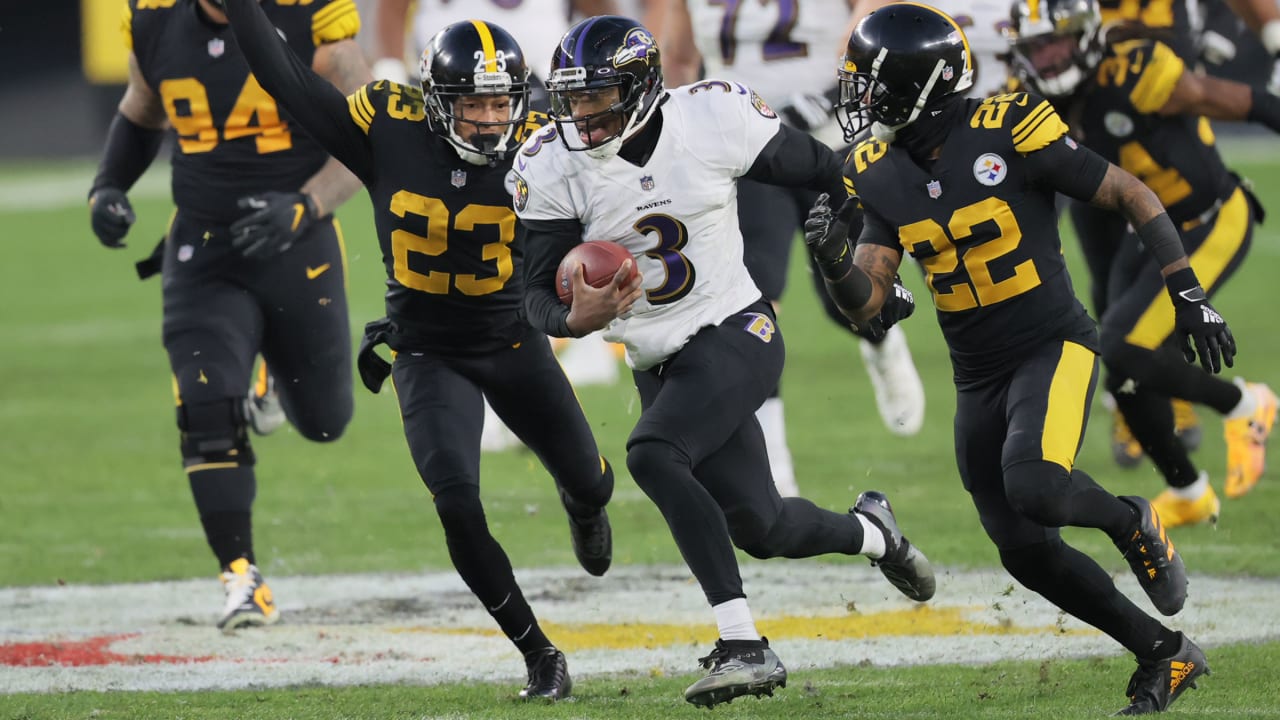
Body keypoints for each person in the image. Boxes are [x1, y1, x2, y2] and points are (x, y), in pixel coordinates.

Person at [804, 3, 1233, 713]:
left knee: (1035, 484)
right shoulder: (876, 168)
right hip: (975, 374)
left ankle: (1132, 522)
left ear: (919, 84)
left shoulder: (1010, 125)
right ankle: (1165, 653)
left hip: (1051, 343)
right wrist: (833, 263)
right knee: (1023, 550)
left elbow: (1128, 190)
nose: (862, 100)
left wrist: (1185, 292)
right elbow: (870, 304)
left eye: (872, 84)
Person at [515, 15, 936, 707]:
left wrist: (862, 267)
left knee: (652, 453)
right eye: (573, 98)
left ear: (644, 88)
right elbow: (531, 295)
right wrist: (571, 318)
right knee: (762, 527)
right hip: (657, 358)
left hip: (737, 328)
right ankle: (875, 534)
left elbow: (830, 172)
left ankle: (744, 644)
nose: (582, 114)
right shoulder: (552, 164)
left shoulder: (711, 118)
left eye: (598, 96)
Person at [221, 0, 616, 700]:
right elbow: (285, 78)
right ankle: (539, 654)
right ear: (435, 103)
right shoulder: (390, 128)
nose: (491, 121)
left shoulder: (544, 145)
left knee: (593, 483)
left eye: (501, 105)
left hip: (515, 338)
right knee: (457, 503)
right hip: (428, 351)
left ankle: (582, 504)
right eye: (473, 106)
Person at [87, 0, 369, 632]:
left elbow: (366, 137)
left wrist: (306, 206)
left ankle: (265, 374)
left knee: (326, 422)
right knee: (204, 406)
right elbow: (141, 109)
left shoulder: (310, 16)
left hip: (296, 243)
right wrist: (108, 184)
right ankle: (241, 577)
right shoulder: (156, 19)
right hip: (203, 247)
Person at [1008, 0, 1278, 525]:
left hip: (1209, 217)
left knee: (1123, 344)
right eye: (1035, 48)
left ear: (1086, 35)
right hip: (1152, 233)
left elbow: (1247, 102)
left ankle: (1244, 405)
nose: (1046, 58)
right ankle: (1189, 491)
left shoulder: (1137, 71)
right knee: (1122, 372)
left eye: (1055, 42)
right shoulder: (1034, 101)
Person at [659, 0, 925, 498]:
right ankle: (774, 468)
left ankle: (882, 344)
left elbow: (874, 29)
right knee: (753, 299)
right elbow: (677, 59)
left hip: (832, 139)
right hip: (742, 154)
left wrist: (833, 97)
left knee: (845, 292)